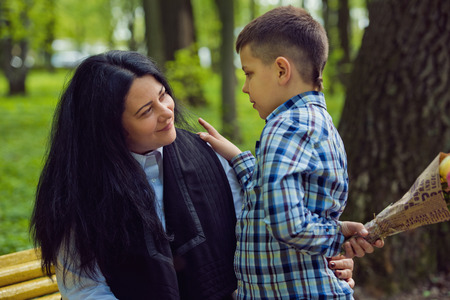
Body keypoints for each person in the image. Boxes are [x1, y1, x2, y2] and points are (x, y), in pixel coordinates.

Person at [30, 50, 356, 300]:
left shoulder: (210, 155)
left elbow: (262, 235)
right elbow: (86, 290)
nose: (166, 112)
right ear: (109, 131)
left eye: (162, 96)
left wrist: (321, 263)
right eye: (146, 111)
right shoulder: (79, 193)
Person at [198, 6, 383, 300]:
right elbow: (270, 194)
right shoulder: (317, 123)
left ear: (282, 70)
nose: (245, 88)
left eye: (249, 73)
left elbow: (287, 223)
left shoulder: (285, 127)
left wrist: (337, 237)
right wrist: (237, 156)